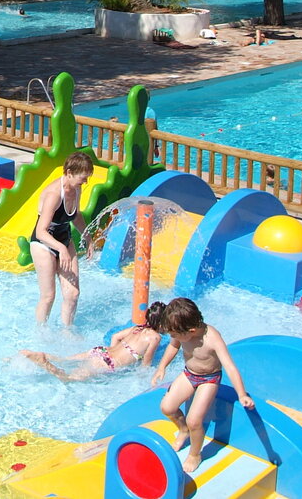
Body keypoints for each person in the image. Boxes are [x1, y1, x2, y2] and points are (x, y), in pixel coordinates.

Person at [151, 297, 255, 473]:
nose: (172, 337)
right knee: (167, 407)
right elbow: (173, 347)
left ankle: (195, 454)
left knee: (195, 420)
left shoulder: (212, 338)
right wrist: (162, 367)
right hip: (189, 374)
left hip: (209, 379)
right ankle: (183, 431)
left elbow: (229, 366)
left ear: (190, 331)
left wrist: (242, 394)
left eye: (174, 335)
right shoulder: (180, 329)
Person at [21, 302, 167, 382]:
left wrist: (112, 352)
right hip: (106, 363)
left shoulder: (137, 328)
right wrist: (142, 379)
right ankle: (44, 363)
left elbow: (115, 336)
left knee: (64, 360)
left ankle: (29, 355)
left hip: (101, 351)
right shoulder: (155, 338)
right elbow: (146, 364)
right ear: (161, 324)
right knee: (69, 379)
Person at [29, 151, 93, 327]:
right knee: (49, 296)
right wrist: (62, 249)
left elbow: (76, 215)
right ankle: (41, 333)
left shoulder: (76, 187)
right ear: (69, 173)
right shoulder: (54, 195)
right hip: (44, 244)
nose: (85, 181)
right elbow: (41, 231)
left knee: (72, 294)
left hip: (64, 239)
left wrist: (87, 236)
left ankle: (67, 331)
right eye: (83, 177)